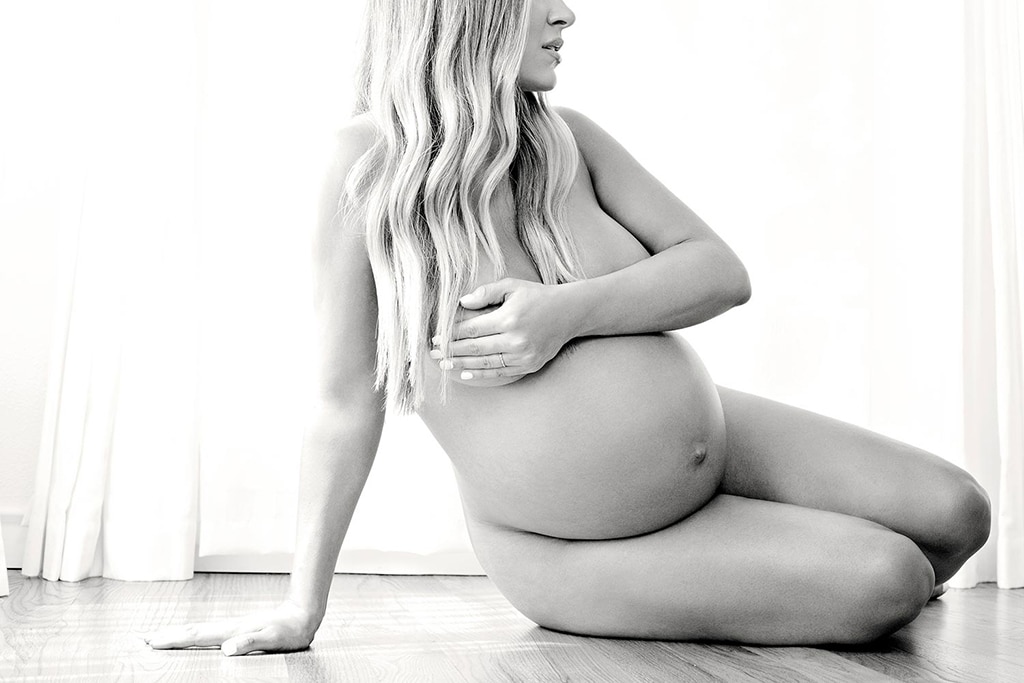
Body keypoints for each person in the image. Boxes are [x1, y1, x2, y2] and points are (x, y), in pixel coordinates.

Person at [145, 0, 991, 655]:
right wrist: (304, 604)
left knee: (958, 512)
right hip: (566, 545)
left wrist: (560, 314)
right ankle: (772, 571)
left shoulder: (566, 140)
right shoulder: (365, 165)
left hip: (715, 439)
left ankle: (765, 559)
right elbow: (340, 402)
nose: (567, 12)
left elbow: (719, 272)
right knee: (891, 576)